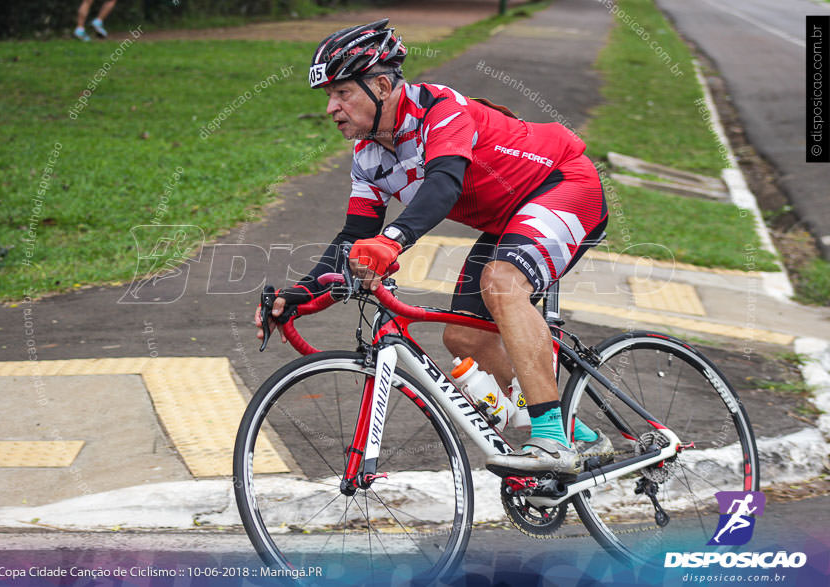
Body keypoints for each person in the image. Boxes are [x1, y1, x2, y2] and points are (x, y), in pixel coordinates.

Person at [255, 19, 611, 478]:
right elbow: (351, 239)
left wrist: (392, 241)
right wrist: (298, 298)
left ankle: (551, 441)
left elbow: (443, 183)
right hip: (510, 219)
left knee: (501, 283)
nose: (331, 107)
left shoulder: (440, 110)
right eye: (329, 96)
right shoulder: (369, 157)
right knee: (463, 337)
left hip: (564, 183)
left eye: (342, 93)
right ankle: (579, 434)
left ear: (382, 85)